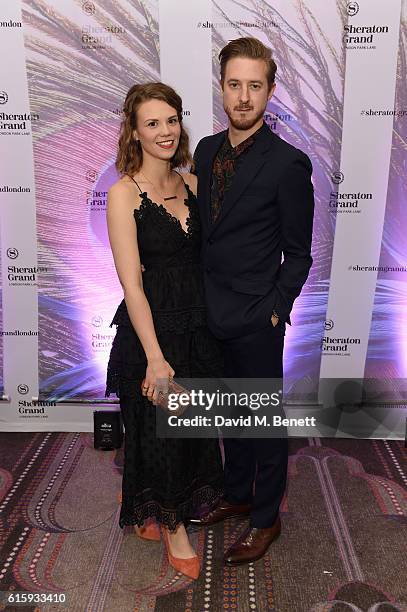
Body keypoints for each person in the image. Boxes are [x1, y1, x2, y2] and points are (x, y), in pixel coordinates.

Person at [190, 37, 315, 565]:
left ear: (270, 91)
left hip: (256, 318)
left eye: (255, 86)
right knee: (228, 415)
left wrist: (275, 308)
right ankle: (238, 493)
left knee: (263, 425)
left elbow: (300, 253)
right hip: (209, 310)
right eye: (235, 84)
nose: (244, 97)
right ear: (222, 87)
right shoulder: (205, 150)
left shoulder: (288, 163)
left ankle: (266, 518)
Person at [105, 82, 224, 580]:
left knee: (191, 429)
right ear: (134, 131)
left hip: (197, 326)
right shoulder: (122, 193)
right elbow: (132, 285)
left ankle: (149, 502)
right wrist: (154, 357)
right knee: (158, 433)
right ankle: (173, 527)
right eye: (152, 123)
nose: (165, 131)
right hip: (151, 332)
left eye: (171, 120)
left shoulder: (194, 183)